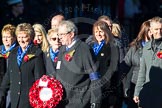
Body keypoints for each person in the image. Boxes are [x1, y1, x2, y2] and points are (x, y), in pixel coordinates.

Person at [56, 20, 101, 108]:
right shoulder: (62, 49)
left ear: (71, 34)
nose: (59, 38)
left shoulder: (84, 49)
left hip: (79, 102)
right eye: (58, 34)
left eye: (62, 34)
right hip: (62, 102)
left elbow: (94, 76)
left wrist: (95, 102)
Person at [0, 23, 46, 108]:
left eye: (24, 37)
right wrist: (2, 93)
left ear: (31, 37)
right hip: (14, 101)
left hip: (28, 102)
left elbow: (39, 80)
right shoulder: (13, 53)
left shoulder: (37, 53)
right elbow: (8, 76)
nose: (21, 40)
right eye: (19, 37)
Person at [120, 20, 151, 108]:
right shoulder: (135, 48)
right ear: (145, 31)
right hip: (135, 84)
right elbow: (125, 66)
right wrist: (124, 86)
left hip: (152, 85)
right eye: (150, 30)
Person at [89, 20, 119, 108]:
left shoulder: (112, 48)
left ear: (106, 32)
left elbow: (114, 70)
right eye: (96, 32)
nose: (98, 34)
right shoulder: (90, 47)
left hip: (106, 88)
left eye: (101, 31)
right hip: (90, 87)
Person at [133, 16, 162, 108]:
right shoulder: (146, 47)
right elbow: (142, 71)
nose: (159, 32)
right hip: (148, 92)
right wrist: (137, 92)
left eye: (161, 29)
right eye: (156, 29)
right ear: (151, 30)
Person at [0, 24, 17, 108]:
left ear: (14, 38)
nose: (5, 39)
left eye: (8, 37)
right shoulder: (0, 50)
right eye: (4, 37)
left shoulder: (18, 51)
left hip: (12, 87)